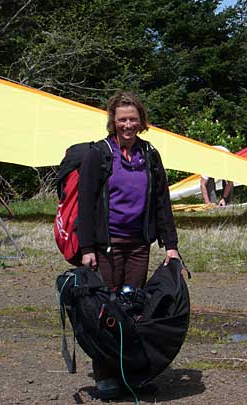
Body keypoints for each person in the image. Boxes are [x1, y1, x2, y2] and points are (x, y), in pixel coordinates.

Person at [77, 91, 182, 399]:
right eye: (122, 119)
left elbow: (162, 202)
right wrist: (86, 249)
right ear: (113, 121)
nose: (127, 124)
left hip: (139, 244)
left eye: (133, 119)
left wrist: (171, 245)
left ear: (141, 121)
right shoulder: (99, 153)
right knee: (105, 311)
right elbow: (86, 204)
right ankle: (105, 375)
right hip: (105, 245)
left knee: (133, 308)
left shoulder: (150, 154)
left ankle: (130, 373)